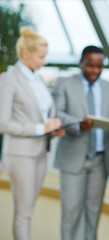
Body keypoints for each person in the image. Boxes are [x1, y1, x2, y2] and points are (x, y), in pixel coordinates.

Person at [52, 45, 109, 240]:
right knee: (71, 212)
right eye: (91, 65)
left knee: (93, 213)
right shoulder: (64, 83)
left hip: (100, 162)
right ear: (81, 63)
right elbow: (57, 113)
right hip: (72, 157)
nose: (95, 70)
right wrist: (77, 125)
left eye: (100, 66)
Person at [0, 26, 64, 240]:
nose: (44, 62)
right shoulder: (9, 79)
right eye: (41, 57)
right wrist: (41, 128)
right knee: (24, 213)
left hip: (39, 152)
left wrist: (53, 128)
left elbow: (42, 114)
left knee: (29, 209)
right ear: (25, 54)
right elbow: (3, 123)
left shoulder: (38, 79)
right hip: (20, 155)